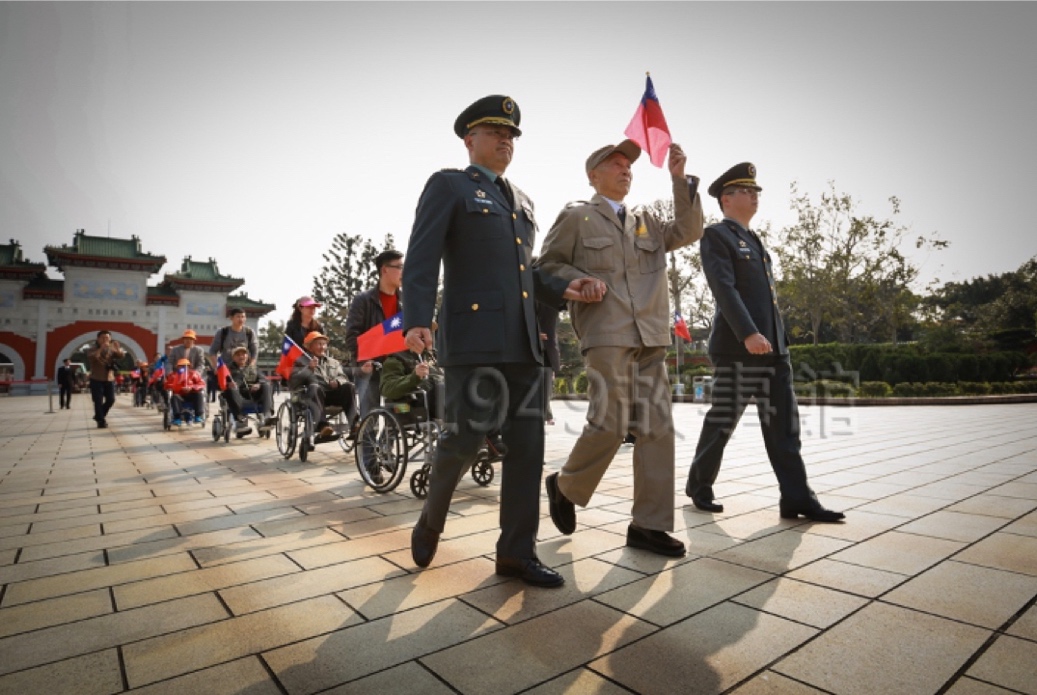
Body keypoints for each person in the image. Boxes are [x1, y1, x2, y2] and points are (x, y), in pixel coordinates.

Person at [403, 94, 604, 588]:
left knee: (528, 448)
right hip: (475, 339)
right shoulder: (449, 185)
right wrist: (415, 319)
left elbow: (527, 273)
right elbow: (422, 256)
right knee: (464, 438)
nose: (505, 141)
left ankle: (516, 552)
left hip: (524, 344)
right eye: (495, 133)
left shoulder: (523, 201)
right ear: (470, 139)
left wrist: (563, 285)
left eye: (511, 135)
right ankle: (431, 517)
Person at [537, 139, 704, 557]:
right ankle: (565, 485)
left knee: (658, 429)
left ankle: (648, 525)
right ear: (593, 175)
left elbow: (688, 231)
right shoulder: (577, 216)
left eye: (629, 165)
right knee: (609, 423)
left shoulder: (645, 219)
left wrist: (679, 180)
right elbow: (548, 267)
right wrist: (577, 281)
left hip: (650, 334)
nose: (625, 169)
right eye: (614, 164)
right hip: (607, 332)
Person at [684, 162, 845, 522]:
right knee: (723, 421)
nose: (755, 196)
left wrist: (775, 339)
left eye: (756, 191)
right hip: (739, 348)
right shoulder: (717, 236)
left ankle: (797, 498)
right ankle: (699, 485)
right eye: (747, 191)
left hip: (774, 350)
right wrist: (747, 333)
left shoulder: (755, 241)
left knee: (784, 428)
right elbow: (724, 289)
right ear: (727, 198)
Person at [346, 249, 404, 424]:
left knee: (398, 414)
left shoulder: (406, 301)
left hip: (396, 370)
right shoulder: (363, 300)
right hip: (369, 368)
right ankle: (369, 452)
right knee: (369, 419)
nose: (404, 272)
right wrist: (364, 361)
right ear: (384, 270)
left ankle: (389, 449)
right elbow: (351, 336)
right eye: (400, 267)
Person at [289, 331, 356, 442]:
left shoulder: (333, 362)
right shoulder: (300, 361)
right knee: (315, 387)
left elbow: (343, 376)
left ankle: (354, 425)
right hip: (311, 396)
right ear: (310, 347)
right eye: (319, 344)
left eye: (324, 344)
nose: (322, 347)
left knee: (349, 386)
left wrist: (338, 382)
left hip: (330, 394)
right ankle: (323, 426)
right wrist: (308, 369)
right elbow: (293, 382)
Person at [224, 345, 277, 434]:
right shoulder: (228, 369)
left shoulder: (252, 368)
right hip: (238, 395)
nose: (241, 356)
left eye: (243, 354)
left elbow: (263, 378)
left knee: (266, 385)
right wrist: (229, 384)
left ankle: (267, 416)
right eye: (238, 355)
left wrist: (258, 384)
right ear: (233, 357)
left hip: (253, 393)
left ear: (247, 356)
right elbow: (221, 382)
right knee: (231, 389)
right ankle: (240, 421)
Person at [86, 330, 124, 428]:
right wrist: (101, 349)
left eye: (107, 338)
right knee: (98, 401)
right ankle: (101, 421)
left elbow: (121, 356)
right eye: (103, 338)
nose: (105, 340)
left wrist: (117, 348)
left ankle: (99, 415)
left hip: (109, 379)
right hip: (96, 379)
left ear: (110, 339)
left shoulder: (111, 350)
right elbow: (93, 357)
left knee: (111, 400)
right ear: (98, 339)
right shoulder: (92, 349)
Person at [209, 307, 258, 374]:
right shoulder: (222, 332)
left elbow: (254, 351)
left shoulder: (249, 333)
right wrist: (216, 367)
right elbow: (212, 351)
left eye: (243, 317)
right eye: (238, 317)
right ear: (231, 318)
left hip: (243, 369)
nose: (241, 319)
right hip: (225, 369)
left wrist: (251, 367)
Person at [535, 300, 560, 425]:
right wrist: (532, 332)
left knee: (545, 390)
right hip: (528, 349)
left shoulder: (553, 296)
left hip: (548, 352)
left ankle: (545, 415)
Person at [165, 358, 206, 426]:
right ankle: (177, 418)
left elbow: (201, 384)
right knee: (174, 397)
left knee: (199, 394)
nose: (183, 367)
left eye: (185, 365)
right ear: (177, 367)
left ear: (189, 366)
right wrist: (180, 388)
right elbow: (167, 385)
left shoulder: (194, 374)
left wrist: (191, 388)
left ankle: (198, 416)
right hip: (179, 396)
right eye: (181, 365)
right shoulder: (173, 376)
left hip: (191, 394)